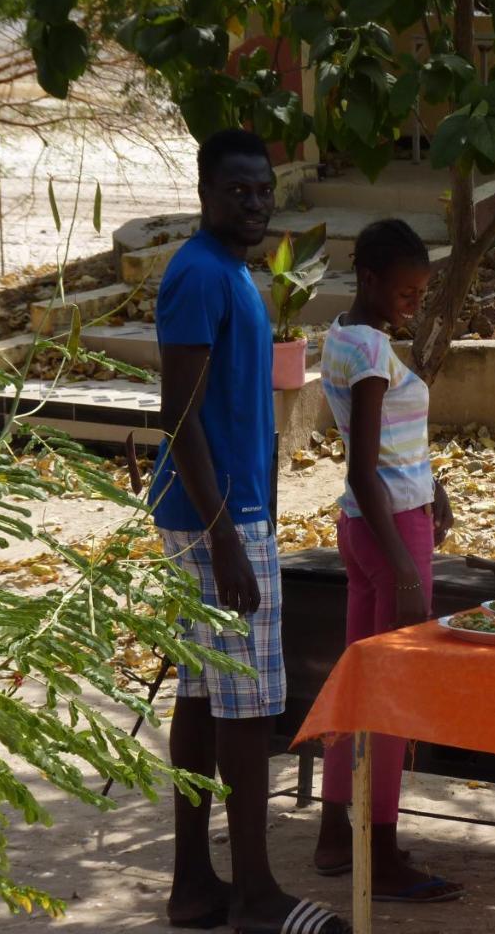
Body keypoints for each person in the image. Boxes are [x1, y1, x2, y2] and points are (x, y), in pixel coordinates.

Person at [151, 128, 351, 934]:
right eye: (239, 191)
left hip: (228, 513)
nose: (256, 202)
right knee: (248, 705)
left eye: (264, 190)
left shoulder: (234, 274)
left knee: (205, 693)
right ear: (206, 194)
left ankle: (194, 885)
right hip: (214, 519)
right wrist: (227, 535)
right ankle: (257, 895)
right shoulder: (197, 274)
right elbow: (179, 414)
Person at [312, 218, 462, 903]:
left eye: (419, 293)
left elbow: (383, 454)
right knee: (392, 691)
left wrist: (431, 480)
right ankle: (382, 844)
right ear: (368, 278)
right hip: (389, 529)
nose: (412, 303)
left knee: (355, 681)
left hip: (362, 524)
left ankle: (335, 831)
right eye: (403, 291)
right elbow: (365, 465)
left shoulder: (339, 337)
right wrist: (405, 564)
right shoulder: (371, 351)